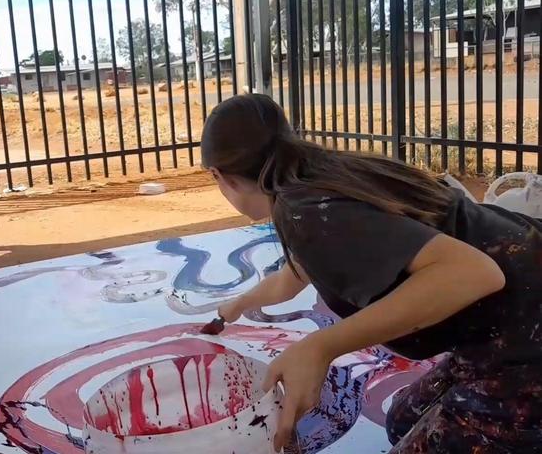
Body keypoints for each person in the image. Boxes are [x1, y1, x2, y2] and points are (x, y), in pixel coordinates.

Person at [201, 94, 542, 453]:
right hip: (500, 323)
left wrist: (321, 346)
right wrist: (239, 304)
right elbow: (294, 275)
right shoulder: (308, 182)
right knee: (401, 420)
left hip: (525, 342)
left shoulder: (311, 212)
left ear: (220, 176)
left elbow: (474, 273)